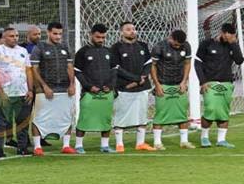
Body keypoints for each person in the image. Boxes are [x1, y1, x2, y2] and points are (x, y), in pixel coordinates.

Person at [29, 21, 77, 156]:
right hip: (45, 90)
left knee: (67, 116)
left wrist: (72, 84)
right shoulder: (39, 47)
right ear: (48, 33)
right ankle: (37, 147)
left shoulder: (65, 47)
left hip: (64, 88)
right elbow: (34, 69)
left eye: (60, 34)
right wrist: (44, 86)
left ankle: (66, 145)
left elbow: (69, 67)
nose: (57, 36)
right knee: (39, 118)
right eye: (55, 34)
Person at [195, 23, 244, 148]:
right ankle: (204, 137)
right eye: (229, 35)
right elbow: (197, 63)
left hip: (226, 82)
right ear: (222, 32)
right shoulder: (206, 44)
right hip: (210, 83)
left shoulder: (232, 45)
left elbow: (239, 60)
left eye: (233, 36)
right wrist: (202, 81)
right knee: (211, 109)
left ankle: (221, 140)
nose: (230, 37)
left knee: (223, 111)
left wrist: (233, 43)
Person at [0, 28, 34, 156]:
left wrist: (30, 89)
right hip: (4, 94)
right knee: (1, 122)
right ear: (4, 38)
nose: (15, 38)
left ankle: (22, 148)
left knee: (22, 122)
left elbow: (28, 70)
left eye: (17, 36)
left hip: (21, 93)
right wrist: (0, 92)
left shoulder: (23, 51)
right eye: (11, 36)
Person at [110, 21, 155, 152]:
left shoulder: (143, 45)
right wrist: (135, 79)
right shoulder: (115, 48)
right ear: (122, 32)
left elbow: (148, 63)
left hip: (142, 86)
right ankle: (119, 144)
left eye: (134, 29)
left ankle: (140, 143)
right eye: (128, 29)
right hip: (124, 87)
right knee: (121, 115)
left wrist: (142, 78)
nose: (132, 31)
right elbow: (116, 68)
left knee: (142, 115)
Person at [73, 23, 117, 154]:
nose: (101, 40)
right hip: (89, 92)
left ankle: (104, 145)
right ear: (91, 35)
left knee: (105, 118)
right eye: (98, 37)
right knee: (84, 118)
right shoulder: (83, 52)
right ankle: (78, 145)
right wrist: (88, 86)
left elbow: (114, 71)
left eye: (103, 37)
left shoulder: (108, 51)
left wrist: (110, 86)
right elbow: (77, 71)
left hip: (106, 92)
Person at [150, 29, 194, 149]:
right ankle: (157, 143)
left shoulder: (186, 46)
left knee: (182, 113)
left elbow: (187, 63)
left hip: (179, 84)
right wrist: (157, 84)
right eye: (175, 44)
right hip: (163, 83)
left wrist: (184, 81)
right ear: (170, 37)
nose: (177, 46)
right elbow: (152, 66)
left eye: (179, 45)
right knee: (161, 113)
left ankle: (184, 142)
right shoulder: (159, 47)